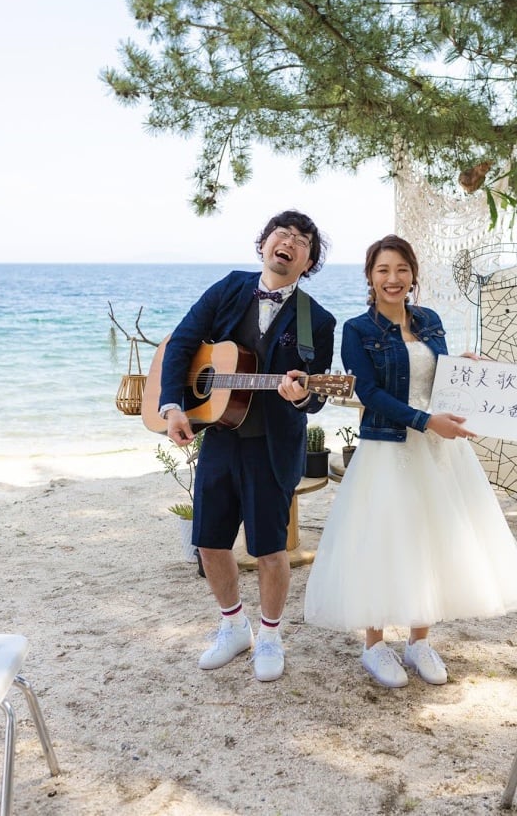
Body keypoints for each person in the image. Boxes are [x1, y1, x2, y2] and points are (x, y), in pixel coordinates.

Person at [304, 234, 517, 689]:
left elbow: (440, 375)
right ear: (370, 277)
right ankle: (374, 645)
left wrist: (469, 366)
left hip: (438, 447)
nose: (393, 279)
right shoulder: (357, 330)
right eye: (383, 270)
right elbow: (368, 393)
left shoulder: (428, 320)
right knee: (383, 540)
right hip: (390, 446)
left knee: (430, 540)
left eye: (402, 270)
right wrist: (426, 421)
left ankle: (418, 640)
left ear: (414, 276)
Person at [160, 210, 335, 682]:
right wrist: (174, 404)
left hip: (271, 447)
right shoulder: (230, 287)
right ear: (264, 243)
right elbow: (181, 344)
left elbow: (316, 394)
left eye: (302, 241)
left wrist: (303, 394)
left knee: (269, 549)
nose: (290, 242)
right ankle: (233, 626)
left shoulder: (316, 320)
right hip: (218, 436)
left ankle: (271, 636)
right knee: (210, 543)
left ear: (308, 262)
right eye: (283, 233)